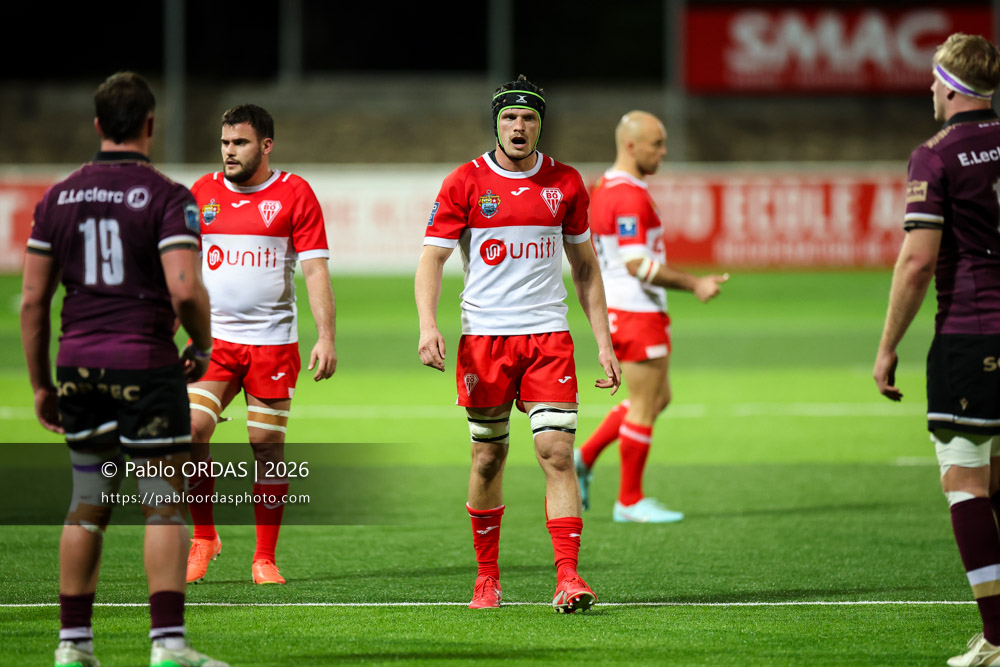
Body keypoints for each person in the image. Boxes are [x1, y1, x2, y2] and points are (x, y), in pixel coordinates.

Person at [21, 71, 227, 667]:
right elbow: (185, 287)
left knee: (88, 500)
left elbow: (34, 303)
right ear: (150, 125)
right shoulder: (166, 196)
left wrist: (41, 384)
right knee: (161, 499)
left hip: (78, 364)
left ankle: (72, 646)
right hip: (143, 360)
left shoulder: (57, 197)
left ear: (96, 126)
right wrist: (203, 342)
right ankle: (167, 645)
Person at [415, 74, 622, 613]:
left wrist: (604, 341)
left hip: (547, 337)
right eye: (509, 117)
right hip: (484, 340)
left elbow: (585, 267)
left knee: (556, 451)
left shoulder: (567, 183)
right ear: (497, 122)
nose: (519, 126)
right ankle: (487, 578)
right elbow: (432, 260)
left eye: (529, 117)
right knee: (488, 457)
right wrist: (428, 325)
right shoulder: (464, 182)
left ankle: (569, 577)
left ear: (540, 124)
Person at [873, 33, 1000, 667]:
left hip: (972, 332)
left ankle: (999, 638)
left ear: (951, 85)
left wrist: (887, 346)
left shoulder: (936, 155)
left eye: (932, 79)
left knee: (965, 482)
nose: (928, 88)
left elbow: (919, 261)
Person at [184, 104, 337, 586]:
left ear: (266, 146)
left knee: (265, 444)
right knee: (189, 431)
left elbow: (314, 269)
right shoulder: (202, 193)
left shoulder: (295, 193)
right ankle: (204, 537)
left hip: (272, 343)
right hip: (214, 342)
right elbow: (182, 271)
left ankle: (264, 557)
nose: (229, 152)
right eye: (226, 142)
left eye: (241, 143)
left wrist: (326, 336)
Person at [574, 111, 728, 523]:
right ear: (631, 146)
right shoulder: (628, 195)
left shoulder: (605, 187)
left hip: (622, 308)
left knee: (658, 397)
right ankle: (629, 501)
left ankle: (584, 458)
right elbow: (637, 264)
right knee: (644, 404)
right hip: (636, 309)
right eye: (656, 143)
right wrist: (695, 284)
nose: (663, 151)